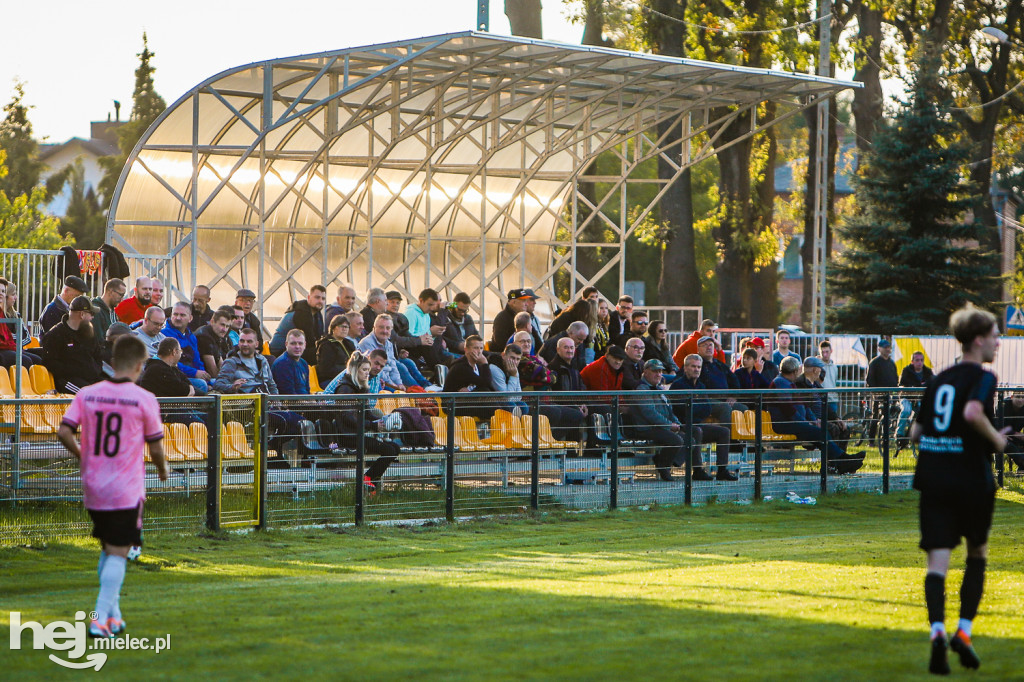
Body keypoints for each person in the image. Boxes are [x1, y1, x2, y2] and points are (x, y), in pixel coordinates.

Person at [910, 305, 1008, 675]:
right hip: (970, 477)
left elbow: (916, 433)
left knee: (937, 561)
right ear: (979, 340)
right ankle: (963, 633)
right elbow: (971, 413)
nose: (999, 344)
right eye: (997, 336)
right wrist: (996, 440)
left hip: (933, 476)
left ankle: (937, 631)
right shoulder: (982, 376)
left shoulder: (938, 379)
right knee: (976, 553)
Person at [56, 334, 168, 639]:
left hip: (94, 485)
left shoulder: (88, 394)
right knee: (119, 552)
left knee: (109, 549)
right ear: (141, 365)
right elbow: (156, 448)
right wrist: (163, 469)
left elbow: (64, 431)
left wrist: (83, 456)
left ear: (114, 361)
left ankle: (113, 617)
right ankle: (98, 620)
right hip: (125, 487)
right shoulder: (144, 398)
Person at [767, 357, 861, 472]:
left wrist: (814, 420)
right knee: (818, 432)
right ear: (795, 371)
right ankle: (842, 461)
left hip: (795, 423)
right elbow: (789, 409)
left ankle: (841, 462)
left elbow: (804, 406)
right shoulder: (780, 383)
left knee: (819, 432)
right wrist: (807, 423)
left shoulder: (789, 383)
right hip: (785, 424)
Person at [331, 351, 399, 491]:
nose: (367, 373)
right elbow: (348, 418)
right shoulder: (345, 389)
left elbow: (368, 413)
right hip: (348, 435)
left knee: (394, 448)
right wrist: (373, 425)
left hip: (359, 433)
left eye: (368, 370)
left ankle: (370, 480)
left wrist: (382, 422)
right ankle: (368, 481)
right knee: (388, 450)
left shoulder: (361, 388)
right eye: (364, 370)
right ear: (355, 370)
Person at [669, 354, 736, 481]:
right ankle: (698, 470)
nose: (696, 369)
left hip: (697, 423)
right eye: (693, 366)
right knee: (697, 431)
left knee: (724, 432)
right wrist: (695, 408)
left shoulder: (701, 386)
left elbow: (707, 409)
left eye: (699, 367)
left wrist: (694, 407)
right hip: (681, 425)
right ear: (685, 368)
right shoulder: (678, 386)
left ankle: (722, 470)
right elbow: (681, 409)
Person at [629, 359, 686, 482]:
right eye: (655, 371)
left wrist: (677, 423)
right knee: (676, 440)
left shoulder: (659, 389)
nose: (659, 374)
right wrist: (669, 425)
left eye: (660, 371)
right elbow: (650, 413)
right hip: (645, 428)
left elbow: (669, 410)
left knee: (690, 437)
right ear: (645, 372)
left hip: (660, 427)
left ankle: (664, 460)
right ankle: (663, 466)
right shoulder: (641, 389)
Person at [42, 296, 104, 393]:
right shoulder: (56, 334)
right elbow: (50, 362)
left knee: (112, 392)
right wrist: (75, 370)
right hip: (67, 382)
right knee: (92, 395)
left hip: (92, 379)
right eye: (91, 314)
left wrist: (94, 370)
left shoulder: (89, 332)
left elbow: (98, 357)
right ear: (82, 314)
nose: (92, 317)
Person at [442, 335, 497, 420]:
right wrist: (485, 363)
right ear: (466, 349)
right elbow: (486, 382)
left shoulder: (478, 365)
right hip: (454, 405)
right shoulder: (460, 366)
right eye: (475, 348)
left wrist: (472, 391)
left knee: (506, 405)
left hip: (470, 400)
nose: (479, 351)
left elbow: (486, 385)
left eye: (481, 348)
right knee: (495, 407)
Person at [162, 302, 212, 395]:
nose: (178, 318)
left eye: (182, 315)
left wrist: (204, 376)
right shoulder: (164, 334)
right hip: (175, 377)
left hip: (192, 376)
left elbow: (197, 361)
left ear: (190, 318)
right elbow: (170, 363)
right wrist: (195, 373)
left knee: (215, 383)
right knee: (201, 384)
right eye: (175, 314)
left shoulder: (191, 336)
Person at [270, 285, 326, 364]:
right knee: (322, 353)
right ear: (309, 297)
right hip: (279, 353)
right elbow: (309, 341)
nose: (320, 301)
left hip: (294, 348)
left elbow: (319, 337)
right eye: (317, 297)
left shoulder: (317, 314)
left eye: (323, 298)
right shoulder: (301, 313)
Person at [696, 335, 746, 424]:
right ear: (698, 349)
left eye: (711, 345)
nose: (708, 347)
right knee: (725, 407)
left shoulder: (719, 364)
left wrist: (733, 396)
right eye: (705, 345)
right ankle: (728, 436)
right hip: (706, 400)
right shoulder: (696, 364)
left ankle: (745, 437)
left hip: (725, 399)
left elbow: (734, 380)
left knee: (743, 408)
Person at [356, 314, 407, 391]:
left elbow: (393, 366)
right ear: (374, 328)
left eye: (388, 328)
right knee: (402, 398)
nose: (385, 331)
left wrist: (399, 383)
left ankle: (424, 389)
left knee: (403, 366)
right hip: (375, 380)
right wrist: (394, 386)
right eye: (381, 327)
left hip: (388, 381)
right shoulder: (367, 343)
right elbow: (377, 370)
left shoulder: (389, 344)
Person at [897, 351, 934, 450]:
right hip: (907, 397)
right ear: (912, 361)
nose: (920, 362)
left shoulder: (927, 372)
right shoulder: (906, 371)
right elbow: (901, 383)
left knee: (925, 413)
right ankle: (899, 433)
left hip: (920, 398)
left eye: (921, 360)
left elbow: (933, 382)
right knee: (906, 410)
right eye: (917, 360)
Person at [0, 279, 40, 368]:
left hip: (10, 348)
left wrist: (14, 344)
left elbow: (25, 337)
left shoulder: (15, 315)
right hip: (4, 350)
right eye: (13, 294)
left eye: (3, 291)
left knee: (41, 356)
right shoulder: (2, 315)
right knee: (26, 361)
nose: (16, 298)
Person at [867, 338, 899, 444]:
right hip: (878, 395)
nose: (887, 350)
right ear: (879, 349)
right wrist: (876, 393)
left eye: (889, 347)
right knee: (875, 417)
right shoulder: (875, 363)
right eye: (885, 348)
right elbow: (870, 379)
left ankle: (885, 439)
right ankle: (871, 440)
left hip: (890, 394)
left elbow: (895, 378)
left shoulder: (891, 363)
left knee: (888, 417)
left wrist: (895, 393)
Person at [316, 314, 356, 384]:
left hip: (349, 378)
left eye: (346, 327)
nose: (344, 329)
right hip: (330, 380)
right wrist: (348, 370)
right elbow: (326, 370)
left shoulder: (349, 344)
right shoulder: (326, 345)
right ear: (333, 328)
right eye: (341, 326)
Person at [195, 309, 233, 377]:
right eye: (222, 325)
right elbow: (213, 372)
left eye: (227, 326)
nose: (224, 330)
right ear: (212, 322)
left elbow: (220, 363)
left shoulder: (216, 335)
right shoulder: (204, 337)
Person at [272, 329, 310, 395]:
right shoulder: (282, 364)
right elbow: (289, 395)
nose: (297, 347)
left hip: (305, 402)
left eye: (300, 343)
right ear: (286, 344)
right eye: (293, 343)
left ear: (305, 345)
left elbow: (307, 389)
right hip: (290, 403)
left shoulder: (304, 363)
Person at [90, 278, 127, 345]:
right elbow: (99, 340)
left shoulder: (112, 311)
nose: (122, 299)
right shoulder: (96, 311)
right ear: (110, 292)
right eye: (120, 295)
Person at [817, 340, 839, 416]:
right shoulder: (817, 366)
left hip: (832, 399)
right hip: (821, 399)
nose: (825, 354)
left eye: (827, 352)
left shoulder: (835, 367)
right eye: (822, 352)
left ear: (831, 351)